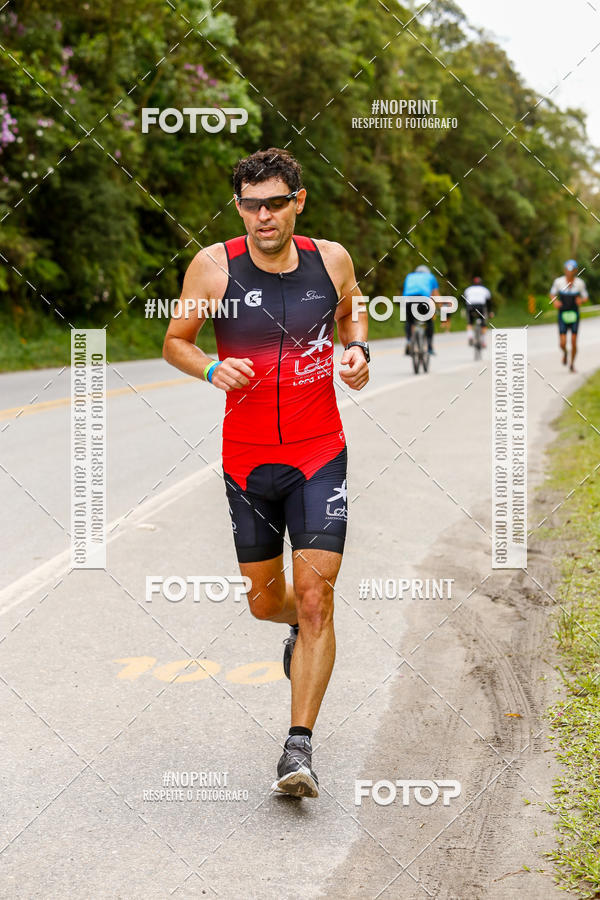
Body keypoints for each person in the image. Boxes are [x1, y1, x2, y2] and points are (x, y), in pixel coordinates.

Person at [163, 148, 369, 798]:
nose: (264, 217)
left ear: (298, 201)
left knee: (315, 598)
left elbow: (352, 309)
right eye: (251, 206)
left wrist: (358, 348)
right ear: (239, 208)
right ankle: (293, 630)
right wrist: (208, 367)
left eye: (276, 203)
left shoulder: (330, 259)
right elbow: (175, 340)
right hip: (247, 461)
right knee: (264, 602)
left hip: (318, 454)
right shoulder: (213, 266)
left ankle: (297, 747)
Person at [550, 260, 589, 372]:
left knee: (573, 341)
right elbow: (552, 294)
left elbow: (585, 297)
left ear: (575, 271)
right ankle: (565, 353)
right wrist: (555, 301)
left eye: (571, 270)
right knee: (562, 343)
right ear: (564, 270)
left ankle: (572, 364)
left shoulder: (580, 283)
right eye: (567, 270)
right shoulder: (559, 282)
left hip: (574, 315)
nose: (569, 272)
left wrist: (581, 300)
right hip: (562, 314)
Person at [402, 264, 441, 355]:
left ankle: (409, 341)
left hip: (408, 300)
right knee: (429, 321)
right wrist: (440, 307)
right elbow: (435, 294)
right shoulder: (430, 277)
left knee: (409, 321)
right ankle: (430, 347)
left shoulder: (409, 276)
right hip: (423, 299)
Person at [463, 276, 492, 348]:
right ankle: (483, 341)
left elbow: (464, 299)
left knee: (470, 322)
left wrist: (466, 309)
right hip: (480, 307)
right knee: (483, 324)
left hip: (470, 306)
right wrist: (490, 312)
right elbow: (489, 302)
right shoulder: (485, 289)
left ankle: (470, 336)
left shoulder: (468, 289)